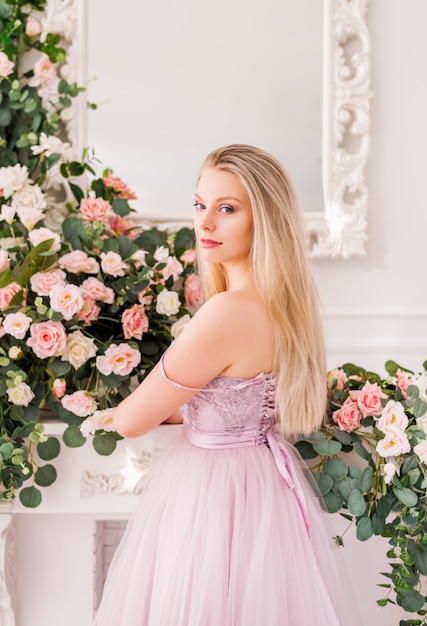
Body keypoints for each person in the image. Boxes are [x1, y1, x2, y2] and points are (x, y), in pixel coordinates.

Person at [93, 144, 361, 625]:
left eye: (227, 209)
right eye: (200, 205)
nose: (205, 224)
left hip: (213, 494)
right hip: (260, 486)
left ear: (265, 219)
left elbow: (133, 421)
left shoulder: (226, 312)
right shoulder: (280, 306)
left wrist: (103, 412)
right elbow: (217, 401)